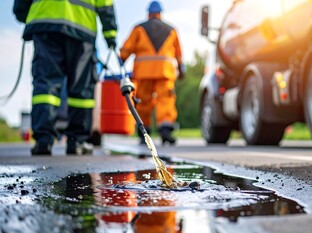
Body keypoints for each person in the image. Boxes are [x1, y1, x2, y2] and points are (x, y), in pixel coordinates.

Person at [13, 0, 117, 155]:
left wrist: (23, 13)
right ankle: (77, 141)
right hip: (81, 25)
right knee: (81, 86)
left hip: (46, 20)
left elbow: (20, 7)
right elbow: (105, 4)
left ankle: (43, 140)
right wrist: (110, 34)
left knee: (46, 85)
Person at [120, 0, 184, 145]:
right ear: (160, 14)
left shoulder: (139, 29)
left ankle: (144, 131)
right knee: (165, 101)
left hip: (144, 72)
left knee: (142, 101)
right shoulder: (171, 30)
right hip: (164, 72)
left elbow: (126, 49)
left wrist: (121, 60)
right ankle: (165, 130)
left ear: (148, 13)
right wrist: (181, 68)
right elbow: (179, 53)